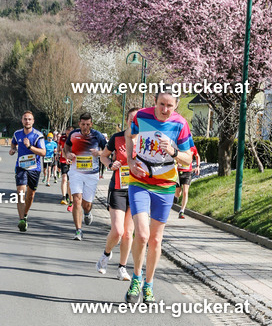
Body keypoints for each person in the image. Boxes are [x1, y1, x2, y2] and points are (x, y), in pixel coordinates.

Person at [124, 88, 193, 302]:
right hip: (140, 182)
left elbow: (188, 159)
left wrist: (173, 152)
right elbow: (129, 135)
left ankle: (149, 284)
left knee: (155, 240)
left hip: (164, 186)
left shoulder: (180, 124)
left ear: (175, 107)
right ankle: (136, 278)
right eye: (161, 104)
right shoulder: (141, 116)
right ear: (154, 102)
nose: (164, 109)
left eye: (169, 106)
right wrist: (130, 160)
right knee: (142, 235)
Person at [96, 108, 140, 280]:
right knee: (117, 231)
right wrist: (110, 164)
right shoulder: (117, 137)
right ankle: (106, 255)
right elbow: (103, 156)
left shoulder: (146, 140)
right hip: (118, 189)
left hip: (137, 190)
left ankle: (122, 268)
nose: (134, 123)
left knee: (129, 233)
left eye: (138, 120)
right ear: (127, 121)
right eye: (131, 120)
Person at [64, 111, 107, 240]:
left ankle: (87, 213)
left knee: (86, 204)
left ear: (91, 124)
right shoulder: (73, 134)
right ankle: (78, 230)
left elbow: (108, 151)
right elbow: (67, 146)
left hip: (91, 174)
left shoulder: (98, 136)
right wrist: (68, 154)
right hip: (76, 171)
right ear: (79, 124)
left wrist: (98, 153)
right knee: (76, 199)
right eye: (83, 124)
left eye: (88, 124)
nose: (85, 127)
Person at [9, 111, 48, 231]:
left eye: (29, 119)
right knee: (20, 192)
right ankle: (21, 220)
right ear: (22, 120)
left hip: (34, 168)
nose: (27, 121)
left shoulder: (38, 135)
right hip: (21, 167)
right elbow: (13, 144)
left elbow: (43, 152)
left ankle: (25, 215)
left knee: (30, 196)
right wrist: (12, 150)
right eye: (25, 119)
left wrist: (29, 147)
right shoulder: (17, 134)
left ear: (33, 121)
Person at [175, 139, 201, 218]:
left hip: (187, 172)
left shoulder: (192, 147)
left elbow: (197, 156)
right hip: (178, 172)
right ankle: (175, 197)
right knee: (178, 193)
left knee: (185, 191)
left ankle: (182, 211)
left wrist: (197, 166)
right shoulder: (178, 147)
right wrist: (177, 162)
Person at [58, 128, 72, 206]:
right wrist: (57, 153)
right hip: (63, 160)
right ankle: (63, 197)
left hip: (73, 162)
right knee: (64, 178)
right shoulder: (62, 138)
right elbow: (61, 148)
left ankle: (68, 195)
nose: (68, 135)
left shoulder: (75, 139)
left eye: (69, 133)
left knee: (70, 181)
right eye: (67, 133)